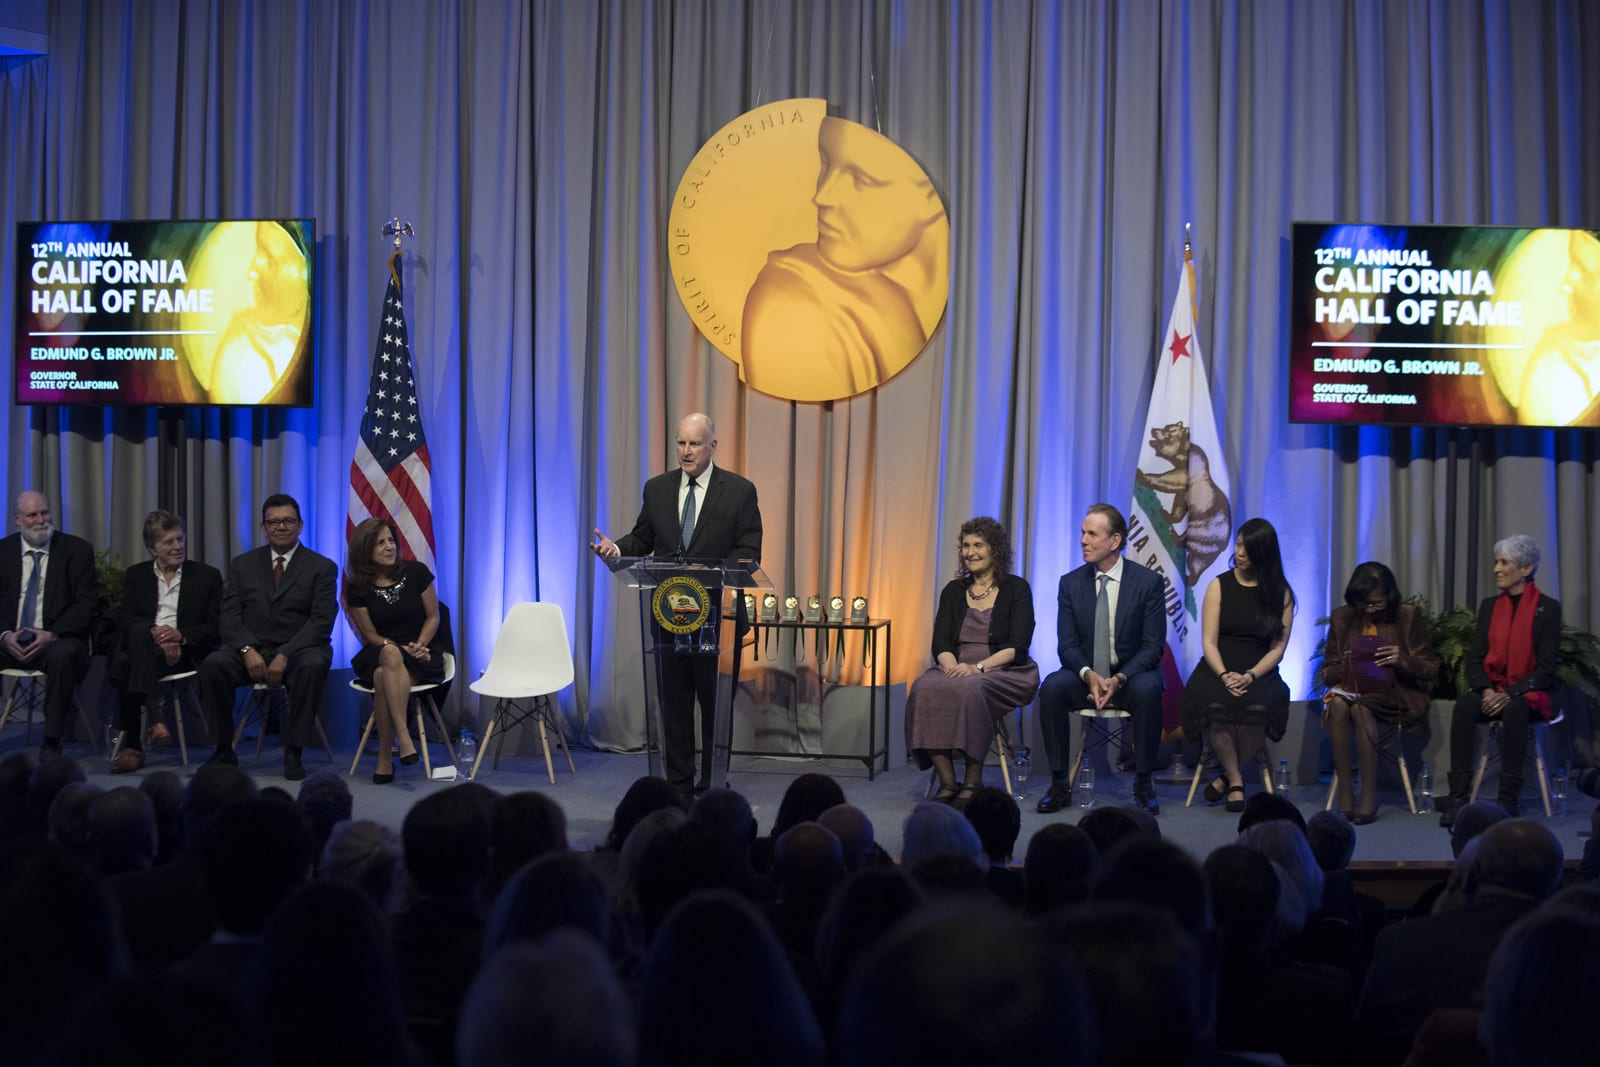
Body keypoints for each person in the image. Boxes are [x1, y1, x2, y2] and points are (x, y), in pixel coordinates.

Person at [590, 413, 762, 802]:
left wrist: (717, 569)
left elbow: (749, 549)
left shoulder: (738, 491)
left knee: (714, 705)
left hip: (720, 619)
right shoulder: (657, 489)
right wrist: (616, 549)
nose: (685, 452)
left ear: (712, 446)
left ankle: (713, 783)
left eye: (694, 444)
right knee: (675, 706)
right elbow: (642, 537)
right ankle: (680, 788)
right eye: (680, 443)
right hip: (669, 616)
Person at [740, 115, 949, 401]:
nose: (822, 196)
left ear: (929, 197)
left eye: (862, 180)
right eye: (825, 163)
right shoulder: (787, 301)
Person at [1035, 504, 1167, 815]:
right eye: (1082, 533)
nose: (1083, 540)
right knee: (1053, 687)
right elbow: (1066, 646)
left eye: (1092, 534)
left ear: (1115, 540)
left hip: (1130, 677)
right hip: (1086, 677)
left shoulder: (1148, 583)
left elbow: (1152, 647)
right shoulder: (1070, 583)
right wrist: (1087, 674)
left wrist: (1119, 678)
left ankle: (1144, 782)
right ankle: (1058, 783)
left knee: (1149, 690)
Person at [198, 493, 338, 780]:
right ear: (263, 528)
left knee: (312, 665)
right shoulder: (242, 564)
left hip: (300, 649)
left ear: (300, 525)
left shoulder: (321, 567)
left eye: (288, 521)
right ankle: (223, 749)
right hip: (251, 647)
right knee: (214, 664)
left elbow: (321, 622)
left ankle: (294, 751)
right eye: (274, 522)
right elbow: (230, 616)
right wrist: (247, 649)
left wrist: (285, 653)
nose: (281, 527)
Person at [904, 516, 1038, 807]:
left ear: (995, 550)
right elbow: (940, 643)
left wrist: (976, 668)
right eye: (966, 545)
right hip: (956, 665)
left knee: (970, 690)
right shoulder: (953, 591)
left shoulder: (1017, 589)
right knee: (924, 688)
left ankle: (973, 780)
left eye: (979, 544)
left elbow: (1018, 646)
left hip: (1003, 669)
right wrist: (952, 667)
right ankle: (948, 780)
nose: (970, 552)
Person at [1437, 534, 1561, 823]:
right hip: (1493, 688)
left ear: (1526, 568)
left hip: (1529, 692)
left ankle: (1508, 800)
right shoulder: (1489, 606)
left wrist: (1509, 693)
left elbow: (1546, 669)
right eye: (1496, 562)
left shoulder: (1548, 609)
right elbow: (1475, 660)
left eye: (1504, 562)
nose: (1496, 569)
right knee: (1465, 705)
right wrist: (1486, 691)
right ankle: (1458, 798)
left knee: (1516, 708)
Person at [1182, 517, 1295, 814]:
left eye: (1247, 547)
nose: (1240, 551)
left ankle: (1225, 778)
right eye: (1239, 544)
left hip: (1259, 668)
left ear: (1264, 553)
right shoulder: (1219, 585)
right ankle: (1236, 779)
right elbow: (1208, 642)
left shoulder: (1281, 593)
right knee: (1215, 703)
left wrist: (1250, 675)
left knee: (1260, 705)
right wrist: (1224, 675)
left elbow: (1278, 648)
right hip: (1218, 665)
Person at [1320, 561, 1438, 823]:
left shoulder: (1407, 616)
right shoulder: (1343, 617)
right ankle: (1346, 794)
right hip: (1353, 689)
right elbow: (1326, 671)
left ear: (1389, 597)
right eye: (1364, 603)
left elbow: (1431, 669)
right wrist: (1347, 665)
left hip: (1395, 693)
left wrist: (1402, 659)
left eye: (1376, 603)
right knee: (1338, 705)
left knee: (1362, 708)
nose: (1369, 609)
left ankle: (1368, 796)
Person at [109, 510, 224, 774]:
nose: (178, 546)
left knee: (127, 661)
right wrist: (155, 634)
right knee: (136, 635)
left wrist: (179, 635)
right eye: (169, 542)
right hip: (147, 647)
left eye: (180, 539)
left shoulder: (207, 576)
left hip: (182, 653)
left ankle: (134, 747)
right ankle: (156, 719)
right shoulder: (136, 575)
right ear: (152, 549)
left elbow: (216, 627)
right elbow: (124, 619)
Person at [0, 490, 98, 762]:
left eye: (44, 512)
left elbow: (86, 605)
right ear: (18, 519)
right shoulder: (3, 552)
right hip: (10, 640)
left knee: (64, 654)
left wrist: (51, 634)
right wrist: (5, 635)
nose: (41, 520)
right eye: (32, 515)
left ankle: (52, 741)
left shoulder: (76, 551)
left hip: (56, 640)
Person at [344, 516, 443, 783]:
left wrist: (420, 644)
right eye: (380, 543)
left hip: (419, 650)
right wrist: (396, 648)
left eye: (391, 540)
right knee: (389, 655)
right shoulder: (357, 587)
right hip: (381, 648)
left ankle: (385, 759)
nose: (389, 547)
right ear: (365, 550)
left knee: (381, 679)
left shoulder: (417, 572)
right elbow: (370, 634)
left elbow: (433, 617)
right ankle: (404, 736)